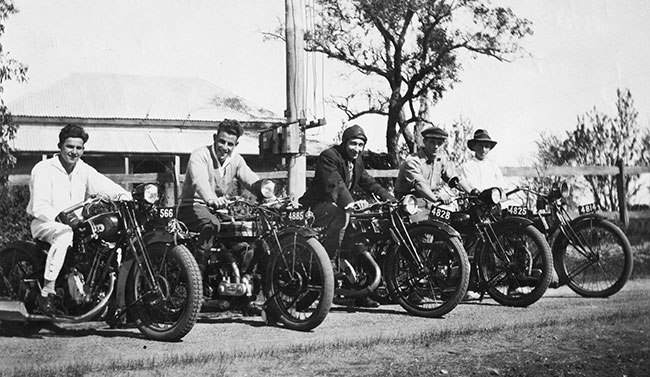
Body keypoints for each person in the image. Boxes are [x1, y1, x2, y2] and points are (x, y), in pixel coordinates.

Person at [27, 124, 131, 316]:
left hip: (75, 224)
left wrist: (130, 197)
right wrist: (63, 218)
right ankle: (47, 292)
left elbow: (105, 186)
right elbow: (39, 206)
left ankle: (108, 298)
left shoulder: (83, 169)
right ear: (60, 146)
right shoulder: (43, 168)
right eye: (70, 147)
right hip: (45, 223)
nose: (74, 152)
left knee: (107, 242)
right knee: (65, 234)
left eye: (79, 148)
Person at [299, 124, 394, 307]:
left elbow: (369, 182)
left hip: (339, 208)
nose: (357, 149)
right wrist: (350, 203)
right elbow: (336, 184)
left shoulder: (356, 161)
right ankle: (331, 263)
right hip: (315, 208)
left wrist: (389, 198)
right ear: (344, 142)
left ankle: (360, 292)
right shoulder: (329, 156)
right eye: (353, 144)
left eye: (360, 145)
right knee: (341, 215)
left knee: (362, 235)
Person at [177, 119, 260, 285]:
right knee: (211, 225)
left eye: (230, 144)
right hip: (193, 207)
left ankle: (240, 283)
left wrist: (267, 192)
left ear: (236, 144)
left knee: (245, 230)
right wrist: (211, 199)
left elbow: (251, 180)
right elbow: (199, 181)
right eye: (221, 141)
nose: (225, 147)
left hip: (217, 210)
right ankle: (195, 284)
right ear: (215, 138)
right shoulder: (200, 155)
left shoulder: (235, 160)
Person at [395, 126, 471, 217]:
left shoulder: (440, 159)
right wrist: (437, 198)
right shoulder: (413, 161)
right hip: (411, 204)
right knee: (422, 229)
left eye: (439, 143)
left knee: (455, 220)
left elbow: (454, 178)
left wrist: (472, 192)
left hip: (432, 204)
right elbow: (419, 185)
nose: (436, 146)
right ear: (424, 142)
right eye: (432, 142)